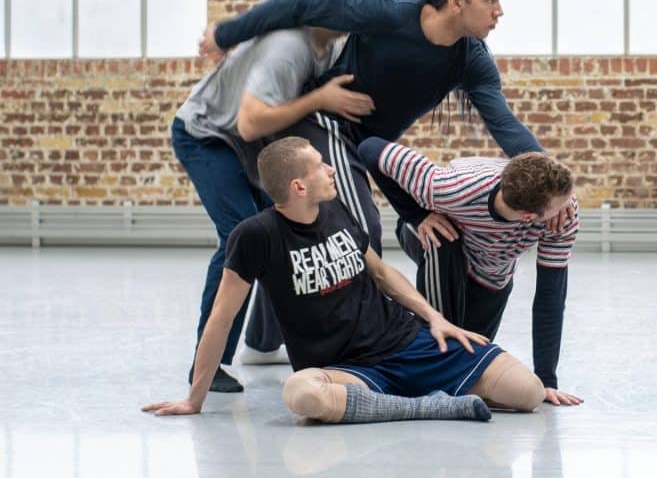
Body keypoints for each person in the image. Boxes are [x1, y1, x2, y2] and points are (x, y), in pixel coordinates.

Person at [198, 0, 574, 262]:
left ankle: (277, 332)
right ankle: (364, 331)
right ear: (456, 2)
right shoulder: (388, 14)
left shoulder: (472, 60)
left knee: (334, 231)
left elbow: (506, 126)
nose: (499, 11)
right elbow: (302, 3)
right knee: (360, 229)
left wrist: (556, 189)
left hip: (364, 144)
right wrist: (225, 34)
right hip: (324, 123)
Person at [143, 137, 545, 423]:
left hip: (405, 341)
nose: (331, 169)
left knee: (528, 392)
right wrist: (194, 399)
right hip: (345, 369)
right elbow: (221, 317)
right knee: (301, 394)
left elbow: (381, 273)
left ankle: (402, 399)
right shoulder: (255, 236)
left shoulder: (335, 208)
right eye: (320, 165)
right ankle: (430, 406)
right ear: (299, 186)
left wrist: (435, 318)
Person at [172, 0, 390, 391]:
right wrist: (319, 99)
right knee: (239, 234)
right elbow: (250, 122)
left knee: (284, 227)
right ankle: (207, 367)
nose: (383, 11)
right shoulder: (290, 47)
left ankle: (262, 340)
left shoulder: (331, 45)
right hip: (207, 136)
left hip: (242, 142)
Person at [357, 136, 583, 406]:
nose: (569, 206)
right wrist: (416, 215)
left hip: (491, 273)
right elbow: (370, 148)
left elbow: (550, 295)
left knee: (468, 356)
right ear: (527, 216)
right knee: (443, 245)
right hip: (435, 237)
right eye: (562, 204)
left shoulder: (562, 218)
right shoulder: (449, 187)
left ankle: (433, 364)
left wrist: (546, 380)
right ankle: (421, 363)